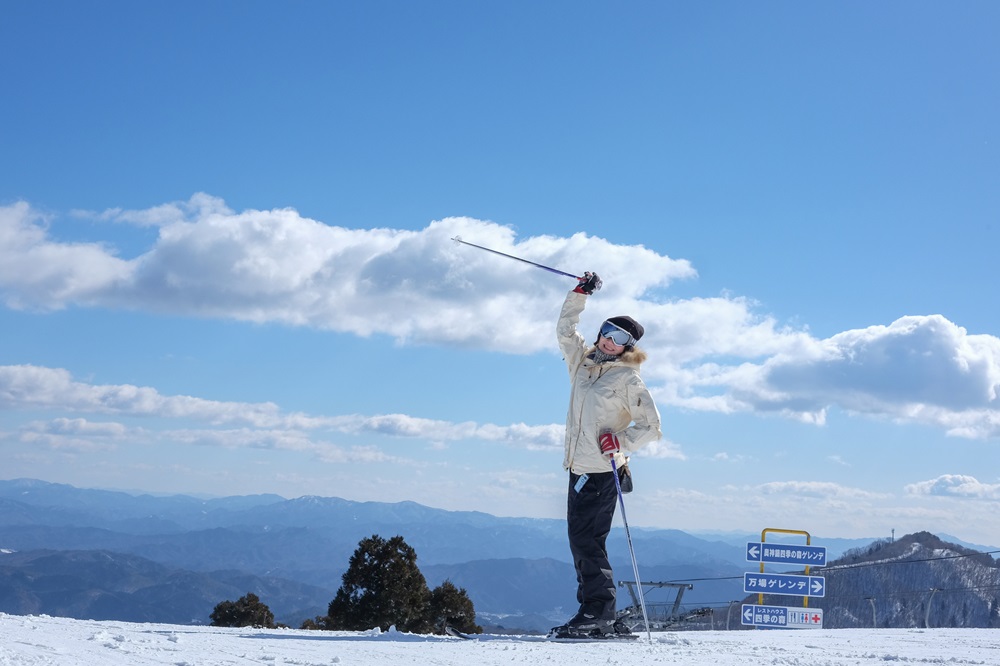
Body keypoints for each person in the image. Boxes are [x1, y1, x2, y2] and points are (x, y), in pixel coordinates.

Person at [551, 271, 662, 638]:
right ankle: (600, 611)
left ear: (629, 346)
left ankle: (597, 611)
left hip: (602, 471)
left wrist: (621, 442)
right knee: (581, 540)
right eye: (608, 332)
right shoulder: (582, 364)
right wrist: (579, 294)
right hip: (577, 468)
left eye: (621, 339)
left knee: (585, 541)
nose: (610, 342)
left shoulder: (628, 380)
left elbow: (652, 426)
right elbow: (565, 331)